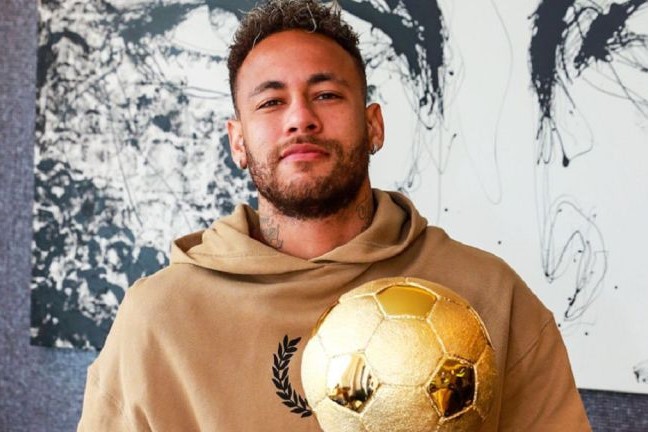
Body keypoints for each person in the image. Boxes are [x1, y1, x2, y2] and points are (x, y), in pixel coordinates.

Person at [78, 0, 592, 430]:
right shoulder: (159, 319)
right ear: (238, 142)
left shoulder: (491, 296)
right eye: (271, 102)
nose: (300, 117)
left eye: (326, 94)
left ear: (374, 126)